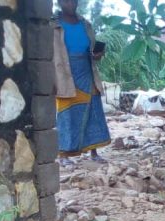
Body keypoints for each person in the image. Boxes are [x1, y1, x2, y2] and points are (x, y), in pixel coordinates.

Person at [53, 0, 110, 166]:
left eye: (74, 1)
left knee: (93, 110)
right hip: (64, 73)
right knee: (66, 113)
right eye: (67, 1)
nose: (71, 4)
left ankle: (94, 152)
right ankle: (63, 154)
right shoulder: (53, 25)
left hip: (87, 71)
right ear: (60, 3)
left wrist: (97, 54)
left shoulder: (86, 24)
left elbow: (91, 49)